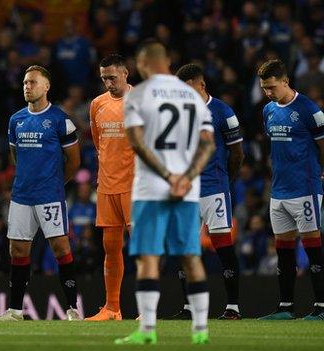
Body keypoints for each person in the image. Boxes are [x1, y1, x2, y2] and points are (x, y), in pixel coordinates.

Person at [114, 40, 215, 345]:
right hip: (187, 188)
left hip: (150, 188)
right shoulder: (194, 97)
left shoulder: (139, 94)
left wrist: (167, 175)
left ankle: (147, 331)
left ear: (143, 64)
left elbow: (136, 142)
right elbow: (208, 143)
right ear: (167, 62)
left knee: (148, 258)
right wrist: (186, 177)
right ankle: (200, 330)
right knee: (190, 256)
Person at [0, 65, 81, 321]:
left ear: (46, 87)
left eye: (32, 82)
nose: (27, 87)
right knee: (18, 250)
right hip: (21, 196)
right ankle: (16, 311)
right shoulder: (16, 120)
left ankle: (72, 308)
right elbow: (15, 157)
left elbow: (73, 162)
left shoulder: (60, 120)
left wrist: (54, 184)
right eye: (24, 83)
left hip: (50, 196)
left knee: (61, 249)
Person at [171, 63, 245, 320]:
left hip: (214, 188)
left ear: (201, 85)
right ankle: (190, 307)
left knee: (223, 247)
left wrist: (225, 180)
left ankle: (233, 307)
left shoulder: (223, 112)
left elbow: (237, 154)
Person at [257, 59, 324, 320]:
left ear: (286, 81)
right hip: (279, 191)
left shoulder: (309, 109)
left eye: (272, 87)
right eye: (264, 88)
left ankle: (320, 307)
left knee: (312, 247)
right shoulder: (268, 110)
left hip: (305, 188)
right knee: (283, 249)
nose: (268, 93)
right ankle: (285, 307)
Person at [85, 54, 134, 321]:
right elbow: (98, 142)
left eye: (112, 77)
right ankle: (112, 308)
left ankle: (147, 310)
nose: (108, 83)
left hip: (135, 186)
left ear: (126, 73)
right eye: (104, 78)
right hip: (106, 186)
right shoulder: (97, 104)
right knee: (110, 247)